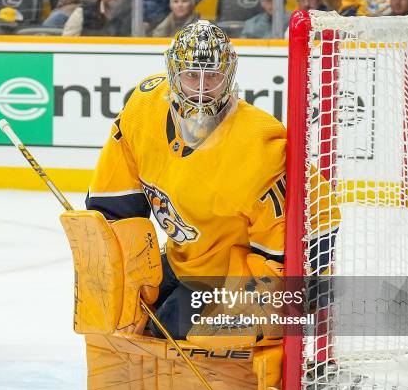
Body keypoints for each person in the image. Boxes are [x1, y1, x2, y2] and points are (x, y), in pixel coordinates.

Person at [85, 20, 287, 339]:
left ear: (229, 77)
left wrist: (253, 309)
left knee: (160, 333)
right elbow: (115, 205)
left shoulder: (259, 143)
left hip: (225, 277)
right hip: (181, 258)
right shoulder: (143, 108)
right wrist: (119, 266)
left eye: (213, 77)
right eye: (192, 75)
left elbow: (279, 253)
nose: (202, 90)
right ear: (173, 74)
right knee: (122, 315)